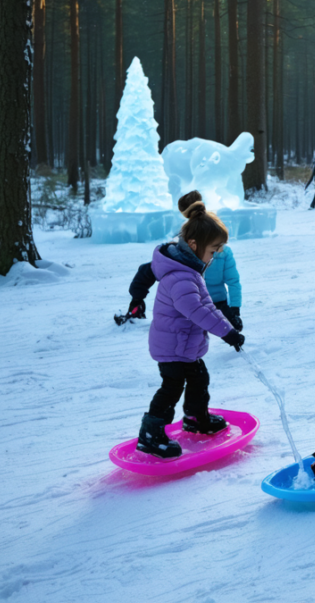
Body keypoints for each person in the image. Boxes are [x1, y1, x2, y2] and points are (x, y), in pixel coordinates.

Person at [135, 198, 245, 458]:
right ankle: (150, 434)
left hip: (185, 345)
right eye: (213, 249)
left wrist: (227, 324)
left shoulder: (191, 271)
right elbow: (197, 312)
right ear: (194, 245)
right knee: (171, 388)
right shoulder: (180, 277)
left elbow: (208, 305)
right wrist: (226, 333)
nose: (215, 255)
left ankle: (195, 419)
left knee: (199, 378)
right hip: (172, 347)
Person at [126, 191, 243, 331]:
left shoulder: (224, 253)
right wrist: (137, 299)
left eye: (219, 246)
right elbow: (147, 271)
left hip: (217, 303)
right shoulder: (178, 257)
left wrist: (234, 310)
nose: (217, 251)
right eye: (214, 248)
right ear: (194, 244)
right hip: (187, 306)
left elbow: (233, 281)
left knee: (230, 328)